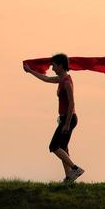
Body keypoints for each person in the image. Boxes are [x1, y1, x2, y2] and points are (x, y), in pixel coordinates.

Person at [23, 54, 84, 183]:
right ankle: (69, 177)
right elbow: (45, 78)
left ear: (61, 65)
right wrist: (30, 71)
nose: (52, 68)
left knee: (54, 146)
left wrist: (66, 124)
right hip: (65, 119)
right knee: (63, 147)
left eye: (54, 65)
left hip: (69, 119)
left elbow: (72, 103)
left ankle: (75, 169)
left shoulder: (67, 82)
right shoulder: (61, 79)